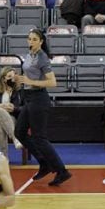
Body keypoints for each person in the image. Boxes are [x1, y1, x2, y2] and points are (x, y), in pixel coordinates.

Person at [15, 29, 70, 186]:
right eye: (29, 39)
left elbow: (52, 83)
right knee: (19, 132)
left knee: (40, 137)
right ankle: (44, 163)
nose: (30, 42)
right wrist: (20, 80)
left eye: (34, 39)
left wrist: (30, 82)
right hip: (29, 98)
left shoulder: (42, 58)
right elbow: (29, 76)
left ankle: (62, 171)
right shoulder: (29, 55)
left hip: (39, 99)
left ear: (41, 42)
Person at [0, 67, 24, 156]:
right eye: (9, 76)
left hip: (11, 118)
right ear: (4, 79)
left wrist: (14, 108)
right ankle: (15, 139)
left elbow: (26, 108)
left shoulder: (20, 92)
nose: (12, 79)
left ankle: (4, 157)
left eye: (14, 76)